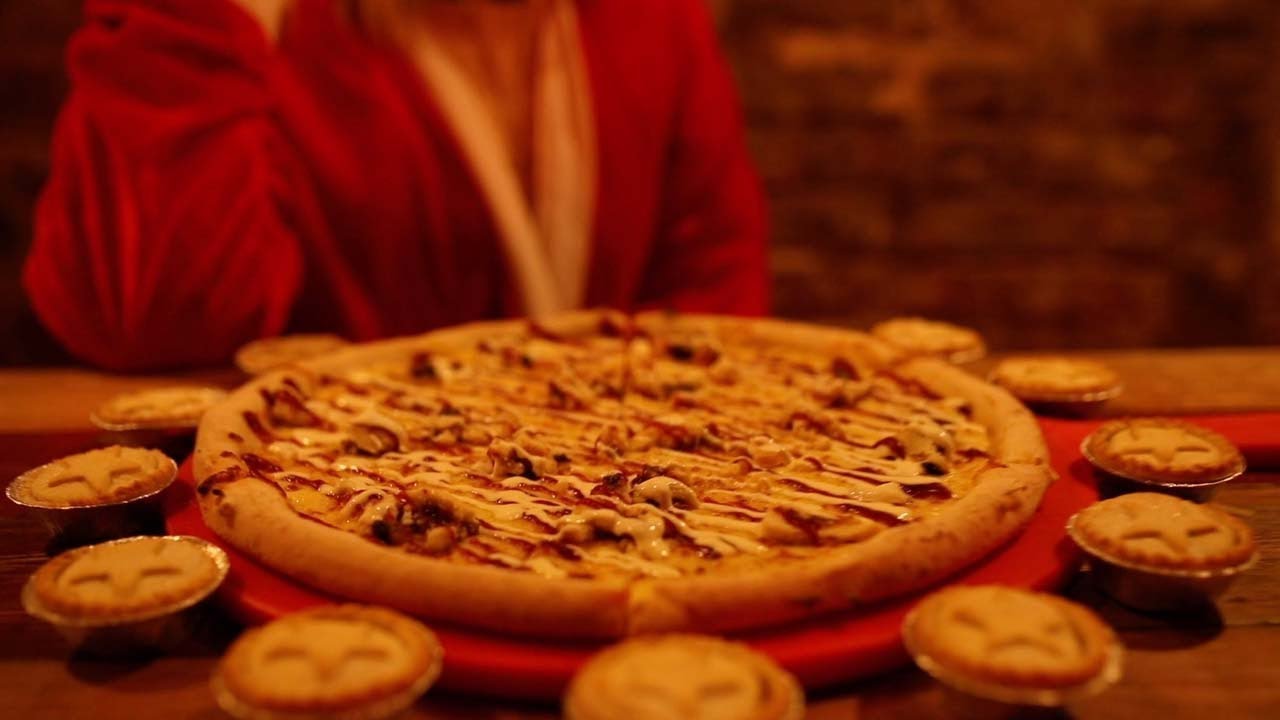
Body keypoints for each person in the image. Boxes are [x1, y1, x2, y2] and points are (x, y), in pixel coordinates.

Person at [23, 0, 768, 371]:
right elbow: (150, 320)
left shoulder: (650, 22)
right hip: (313, 533)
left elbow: (716, 310)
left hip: (600, 526)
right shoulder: (262, 33)